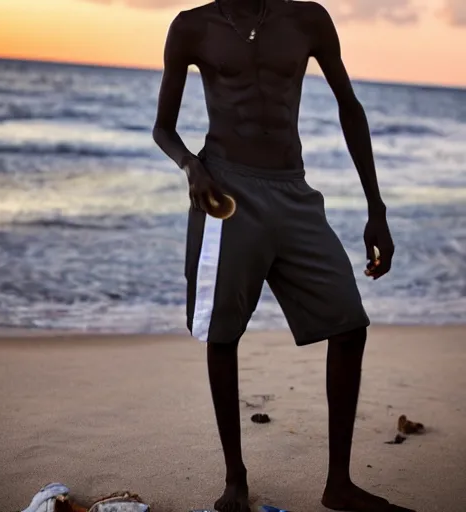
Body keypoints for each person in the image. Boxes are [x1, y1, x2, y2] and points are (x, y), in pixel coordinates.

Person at [152, 1, 412, 511]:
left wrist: (376, 208)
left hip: (293, 191)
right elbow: (163, 126)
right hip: (225, 191)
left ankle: (339, 484)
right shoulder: (192, 26)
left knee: (348, 322)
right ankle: (235, 480)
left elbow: (349, 107)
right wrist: (189, 166)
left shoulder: (307, 19)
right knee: (223, 334)